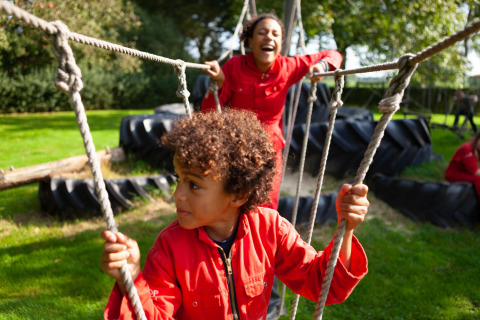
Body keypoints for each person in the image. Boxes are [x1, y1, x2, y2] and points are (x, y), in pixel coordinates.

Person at [101, 110, 369, 320]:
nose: (177, 194)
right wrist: (132, 277)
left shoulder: (270, 228)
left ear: (238, 194)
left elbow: (324, 285)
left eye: (194, 184)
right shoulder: (170, 247)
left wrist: (347, 230)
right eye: (178, 179)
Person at [202, 13, 343, 211]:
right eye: (262, 32)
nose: (269, 37)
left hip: (269, 150)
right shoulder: (234, 66)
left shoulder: (289, 66)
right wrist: (216, 85)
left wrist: (322, 65)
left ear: (281, 43)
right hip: (235, 148)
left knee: (265, 206)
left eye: (275, 34)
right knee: (231, 202)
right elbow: (209, 113)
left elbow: (334, 54)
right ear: (250, 41)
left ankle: (263, 241)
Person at [445, 130, 480, 198]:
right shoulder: (467, 149)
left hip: (465, 172)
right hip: (454, 174)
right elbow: (475, 171)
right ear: (478, 138)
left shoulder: (476, 147)